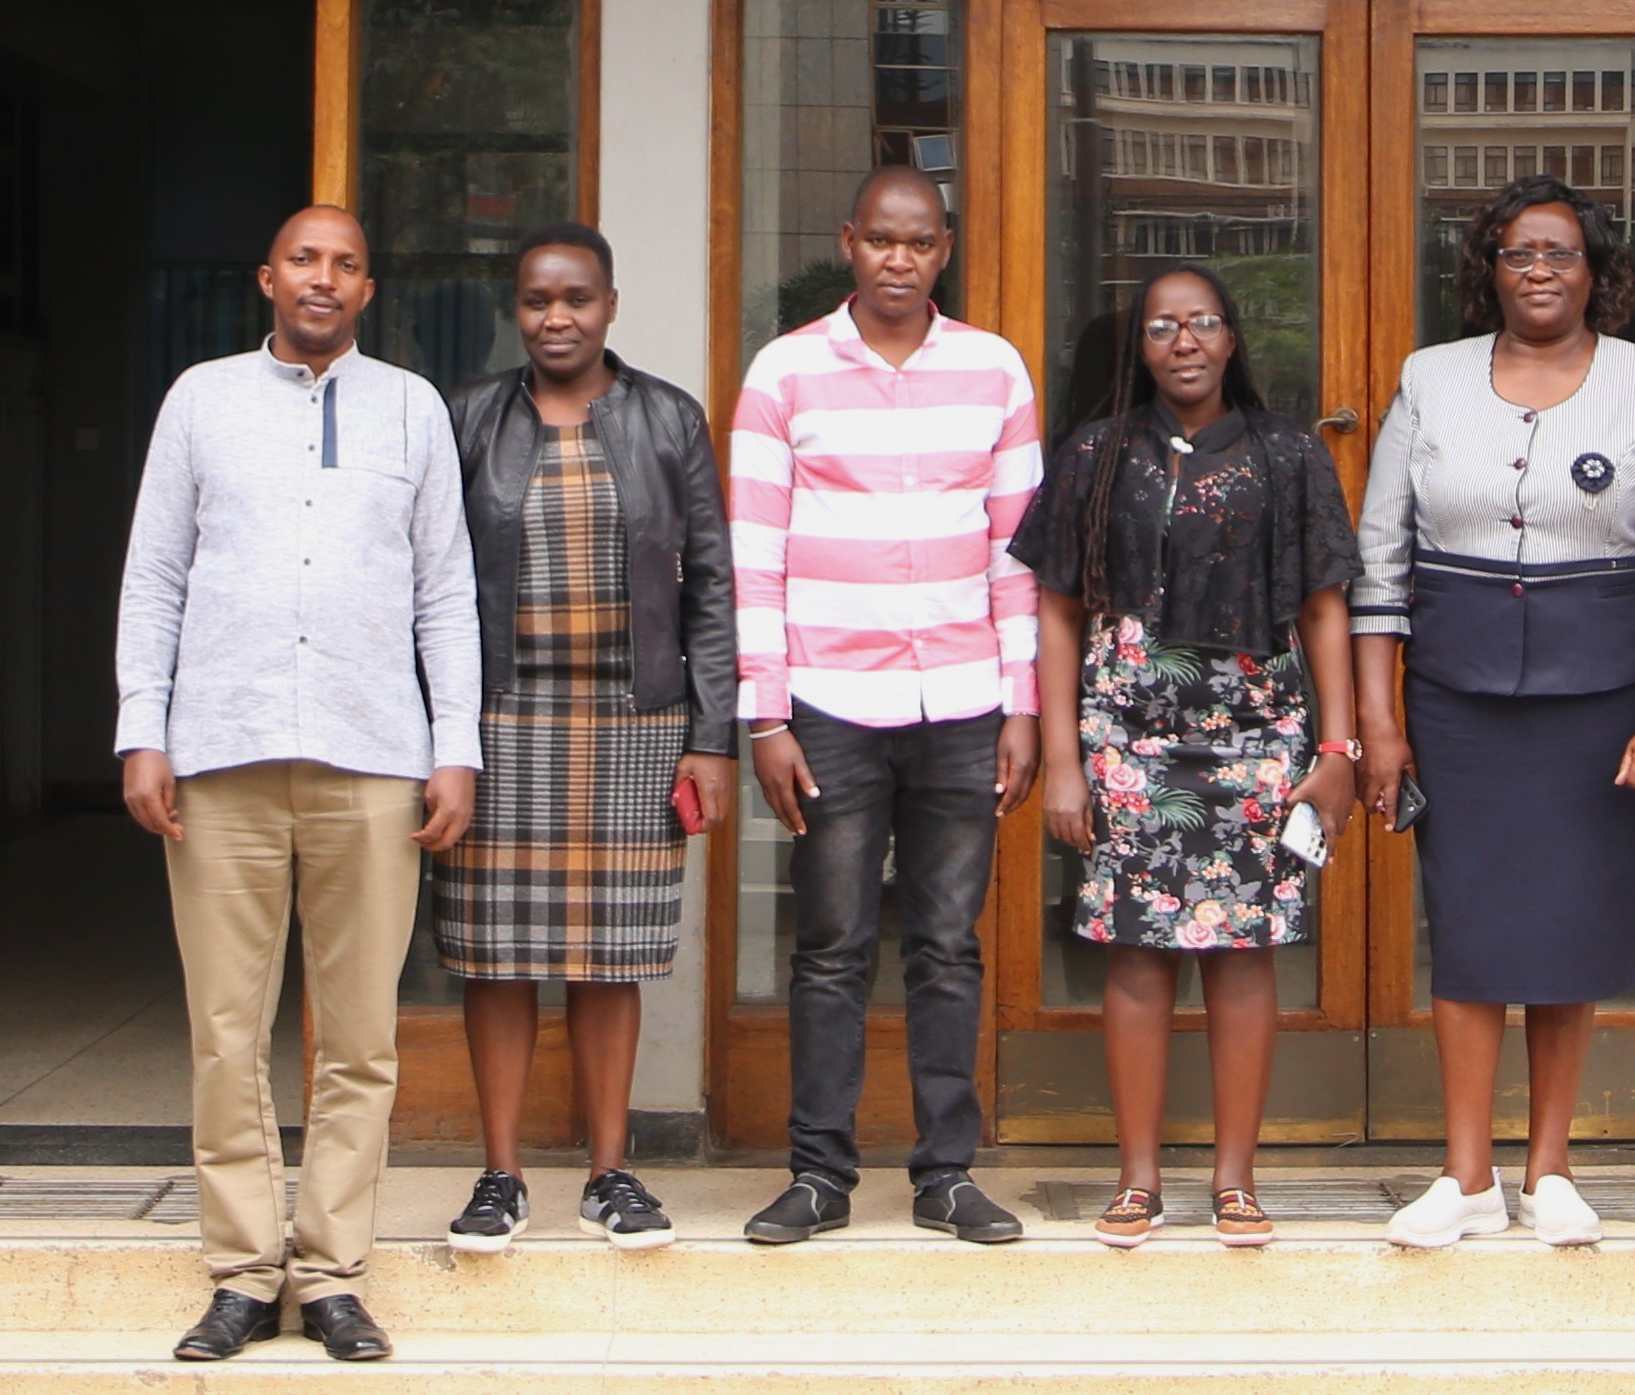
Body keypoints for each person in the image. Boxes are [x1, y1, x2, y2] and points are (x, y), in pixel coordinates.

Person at [114, 205, 481, 1362]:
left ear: (369, 290)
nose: (324, 280)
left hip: (373, 758)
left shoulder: (411, 409)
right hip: (218, 754)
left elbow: (445, 592)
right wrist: (142, 728)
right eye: (305, 260)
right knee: (226, 1031)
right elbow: (155, 574)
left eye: (347, 265)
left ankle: (328, 1275)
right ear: (268, 276)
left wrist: (454, 745)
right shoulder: (199, 401)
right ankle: (238, 1271)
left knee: (360, 1038)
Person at [1352, 175, 1635, 1248]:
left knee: (1571, 925)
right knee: (1469, 931)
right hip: (1456, 698)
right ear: (1488, 271)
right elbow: (1380, 562)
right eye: (1519, 253)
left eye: (1562, 253)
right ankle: (1465, 1179)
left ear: (1598, 272)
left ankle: (1550, 1169)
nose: (1541, 271)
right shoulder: (1429, 379)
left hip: (1601, 702)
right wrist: (1381, 720)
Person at [1012, 264, 1360, 1248]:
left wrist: (1336, 748)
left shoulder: (1290, 455)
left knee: (1243, 960)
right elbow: (1058, 611)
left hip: (1260, 746)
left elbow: (1326, 605)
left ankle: (1236, 1182)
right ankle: (1137, 1182)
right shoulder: (1092, 455)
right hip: (1127, 741)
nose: (1186, 341)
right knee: (1137, 958)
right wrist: (1067, 760)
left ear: (1233, 337)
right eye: (1164, 326)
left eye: (1203, 322)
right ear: (1141, 346)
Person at [730, 165, 1042, 1245]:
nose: (898, 261)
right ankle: (819, 1174)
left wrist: (1023, 702)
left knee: (948, 945)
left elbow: (1016, 554)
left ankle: (946, 1174)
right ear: (847, 241)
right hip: (827, 702)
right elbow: (752, 556)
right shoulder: (785, 373)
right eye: (880, 241)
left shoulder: (994, 370)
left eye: (919, 244)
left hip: (961, 699)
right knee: (831, 943)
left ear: (943, 249)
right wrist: (764, 716)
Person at [431, 222, 737, 1253]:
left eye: (576, 299)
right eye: (535, 301)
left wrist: (712, 737)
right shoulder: (469, 419)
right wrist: (438, 737)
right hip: (499, 723)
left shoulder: (665, 418)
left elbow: (712, 586)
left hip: (636, 723)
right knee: (495, 956)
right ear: (515, 310)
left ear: (610, 304)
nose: (555, 317)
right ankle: (501, 1175)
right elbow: (430, 585)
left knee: (609, 957)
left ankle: (611, 1171)